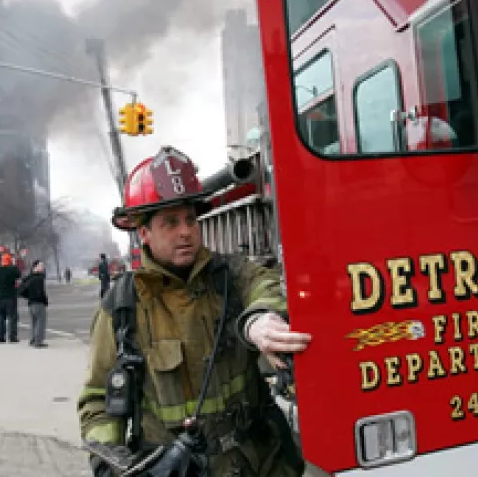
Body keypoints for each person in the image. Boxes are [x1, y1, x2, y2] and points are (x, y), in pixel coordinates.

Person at [77, 146, 312, 476]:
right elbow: (98, 399)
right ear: (144, 233)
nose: (185, 231)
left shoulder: (231, 274)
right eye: (170, 223)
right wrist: (110, 465)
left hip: (260, 463)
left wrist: (258, 320)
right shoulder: (122, 306)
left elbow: (264, 284)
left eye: (190, 219)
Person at [19, 260, 50, 348]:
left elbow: (21, 290)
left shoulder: (29, 278)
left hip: (31, 303)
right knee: (40, 322)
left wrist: (29, 296)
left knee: (34, 322)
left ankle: (33, 339)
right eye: (41, 266)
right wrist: (43, 300)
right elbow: (41, 292)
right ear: (35, 267)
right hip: (39, 303)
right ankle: (38, 341)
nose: (43, 267)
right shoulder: (39, 278)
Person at [0, 252, 21, 343]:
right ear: (9, 261)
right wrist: (14, 264)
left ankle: (0, 337)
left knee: (1, 317)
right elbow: (18, 274)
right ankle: (12, 337)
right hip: (10, 296)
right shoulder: (12, 270)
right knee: (12, 317)